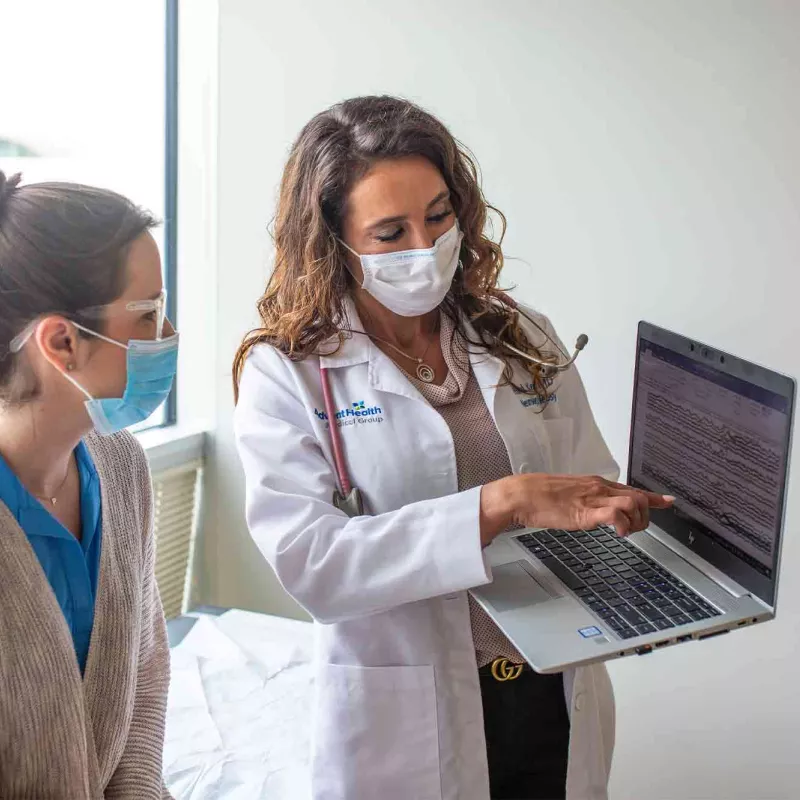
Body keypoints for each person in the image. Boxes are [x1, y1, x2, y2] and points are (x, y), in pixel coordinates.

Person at [233, 96, 672, 800]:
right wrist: (501, 503)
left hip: (552, 693)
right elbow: (315, 566)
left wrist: (639, 578)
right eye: (389, 232)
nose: (424, 246)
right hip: (407, 715)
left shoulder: (521, 334)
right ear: (334, 242)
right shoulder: (289, 372)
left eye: (438, 216)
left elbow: (591, 486)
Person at [0, 171, 176, 799]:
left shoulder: (121, 467)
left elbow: (145, 675)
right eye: (150, 313)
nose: (169, 334)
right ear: (62, 341)